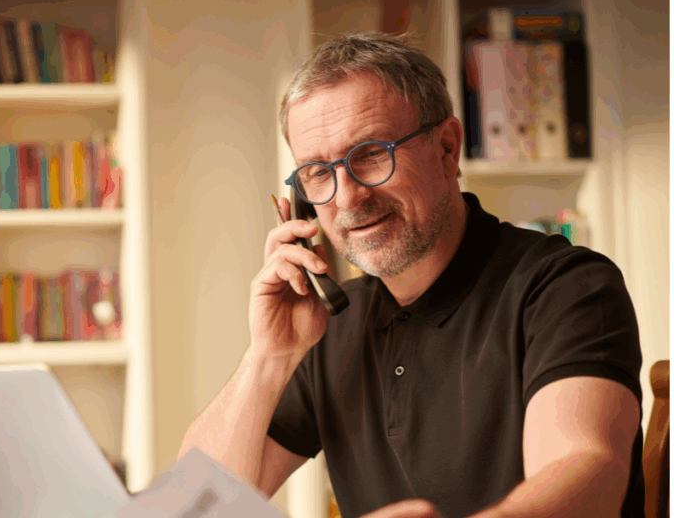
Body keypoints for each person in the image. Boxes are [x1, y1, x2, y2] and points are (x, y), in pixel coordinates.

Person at [178, 32, 644, 518]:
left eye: (371, 153)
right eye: (318, 171)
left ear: (446, 148)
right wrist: (268, 356)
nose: (347, 198)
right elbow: (191, 506)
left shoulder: (565, 288)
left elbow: (588, 472)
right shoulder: (330, 325)